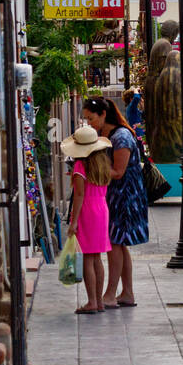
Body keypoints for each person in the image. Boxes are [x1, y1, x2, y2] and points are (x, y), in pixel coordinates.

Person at [82, 96, 150, 309]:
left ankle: (111, 293)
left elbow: (118, 172)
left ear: (103, 114)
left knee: (115, 242)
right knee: (119, 243)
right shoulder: (105, 134)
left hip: (126, 196)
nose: (88, 123)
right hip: (113, 195)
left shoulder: (121, 136)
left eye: (91, 118)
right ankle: (126, 292)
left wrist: (89, 173)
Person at [62, 125, 113, 314]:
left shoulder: (80, 166)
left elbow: (79, 196)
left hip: (87, 212)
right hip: (102, 209)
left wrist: (73, 221)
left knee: (87, 258)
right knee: (97, 258)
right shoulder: (103, 162)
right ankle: (98, 301)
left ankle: (91, 301)